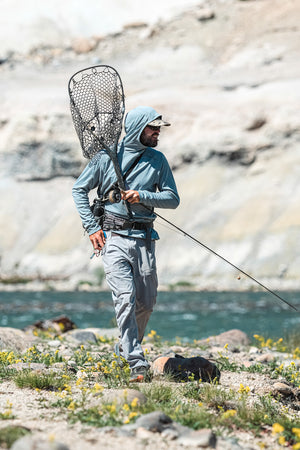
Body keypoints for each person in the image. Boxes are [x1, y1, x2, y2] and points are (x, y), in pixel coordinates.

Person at [72, 106, 180, 382]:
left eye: (159, 128)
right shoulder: (106, 157)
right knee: (124, 298)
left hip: (145, 239)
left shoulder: (158, 160)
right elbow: (79, 189)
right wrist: (91, 227)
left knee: (146, 302)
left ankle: (125, 346)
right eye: (152, 127)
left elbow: (172, 199)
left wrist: (142, 195)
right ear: (136, 128)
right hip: (113, 238)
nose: (157, 132)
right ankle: (135, 360)